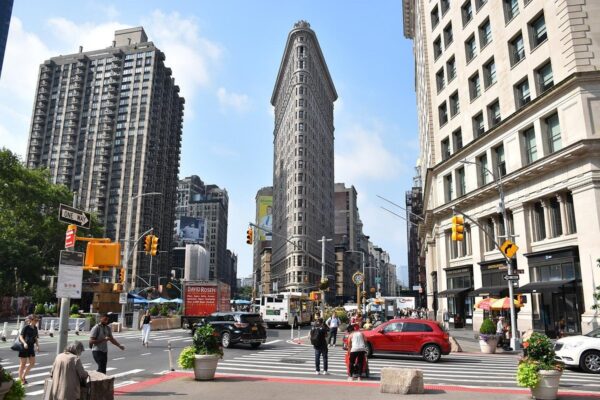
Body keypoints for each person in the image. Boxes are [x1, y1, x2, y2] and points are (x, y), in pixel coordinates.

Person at [18, 315, 39, 384]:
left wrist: (37, 345)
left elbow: (35, 337)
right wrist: (24, 343)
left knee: (32, 363)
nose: (36, 322)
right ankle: (21, 379)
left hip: (31, 347)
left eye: (37, 320)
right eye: (35, 320)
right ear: (31, 320)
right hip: (24, 347)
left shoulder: (35, 328)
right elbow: (20, 336)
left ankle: (23, 376)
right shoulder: (26, 327)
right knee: (22, 364)